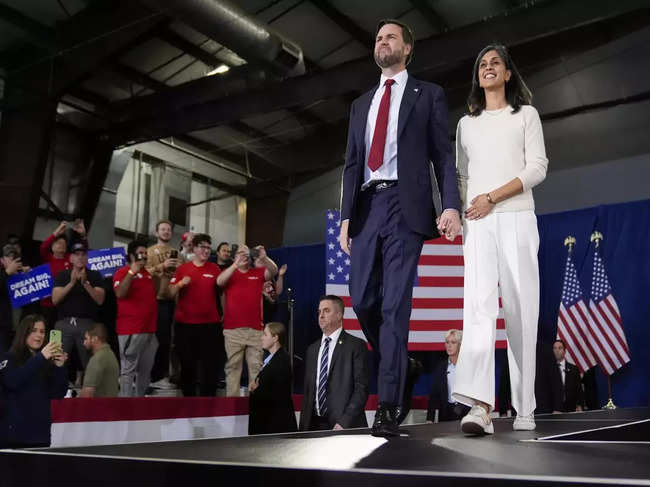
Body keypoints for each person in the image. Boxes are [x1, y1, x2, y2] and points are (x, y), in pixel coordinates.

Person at [339, 19, 461, 436]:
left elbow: (443, 157)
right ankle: (402, 363)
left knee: (394, 306)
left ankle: (389, 404)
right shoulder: (360, 104)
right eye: (377, 38)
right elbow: (352, 164)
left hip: (405, 208)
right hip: (367, 206)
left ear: (408, 48)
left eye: (391, 37)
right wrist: (345, 217)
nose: (382, 42)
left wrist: (452, 207)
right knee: (361, 299)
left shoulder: (428, 94)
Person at [451, 44, 548, 435]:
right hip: (478, 224)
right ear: (478, 76)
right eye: (482, 64)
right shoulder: (465, 125)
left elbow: (538, 167)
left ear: (508, 74)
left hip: (517, 218)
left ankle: (525, 407)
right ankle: (480, 407)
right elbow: (460, 179)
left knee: (522, 311)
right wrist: (459, 216)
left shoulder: (526, 115)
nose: (488, 68)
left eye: (495, 63)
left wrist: (492, 197)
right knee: (477, 310)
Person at [299, 295, 369, 431]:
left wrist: (345, 421)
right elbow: (308, 392)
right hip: (314, 426)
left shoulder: (356, 346)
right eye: (319, 312)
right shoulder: (312, 349)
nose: (321, 315)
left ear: (339, 315)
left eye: (326, 311)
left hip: (343, 426)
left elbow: (361, 389)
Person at [217, 245, 278, 397]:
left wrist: (264, 258)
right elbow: (219, 281)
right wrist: (235, 265)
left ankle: (257, 407)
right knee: (233, 368)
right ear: (234, 256)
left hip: (255, 330)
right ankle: (231, 407)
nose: (244, 255)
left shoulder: (257, 273)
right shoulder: (230, 273)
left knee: (256, 368)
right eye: (240, 253)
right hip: (233, 330)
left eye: (246, 253)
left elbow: (274, 271)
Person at [0, 315, 68, 447]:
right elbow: (12, 381)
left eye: (42, 331)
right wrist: (41, 357)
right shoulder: (9, 358)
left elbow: (58, 393)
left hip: (40, 436)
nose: (39, 335)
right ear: (23, 332)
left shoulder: (45, 362)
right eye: (33, 330)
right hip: (14, 438)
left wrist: (59, 367)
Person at [169, 233, 222, 396]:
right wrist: (180, 283)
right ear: (194, 248)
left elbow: (223, 294)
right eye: (203, 247)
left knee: (210, 365)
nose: (206, 251)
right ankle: (189, 402)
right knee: (187, 365)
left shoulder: (215, 269)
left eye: (208, 247)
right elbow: (170, 293)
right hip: (186, 325)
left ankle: (208, 402)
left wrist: (223, 315)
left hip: (210, 325)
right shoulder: (182, 269)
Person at [52, 241, 105, 381]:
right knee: (55, 359)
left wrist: (86, 284)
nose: (80, 257)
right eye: (76, 255)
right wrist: (71, 283)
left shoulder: (95, 275)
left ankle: (88, 393)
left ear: (87, 258)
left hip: (87, 325)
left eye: (83, 254)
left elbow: (100, 300)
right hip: (63, 323)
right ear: (70, 258)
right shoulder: (62, 275)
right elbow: (55, 300)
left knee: (90, 362)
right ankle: (55, 394)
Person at [113, 240, 158, 397]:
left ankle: (139, 405)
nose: (145, 256)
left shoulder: (148, 274)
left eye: (146, 253)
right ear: (132, 255)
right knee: (128, 370)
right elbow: (119, 294)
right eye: (141, 253)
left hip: (150, 330)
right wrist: (131, 272)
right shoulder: (122, 272)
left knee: (145, 371)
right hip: (130, 330)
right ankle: (125, 405)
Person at [146, 219, 182, 390]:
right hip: (154, 300)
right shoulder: (149, 252)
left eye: (169, 229)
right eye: (163, 229)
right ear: (156, 232)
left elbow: (183, 275)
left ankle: (161, 376)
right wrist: (162, 265)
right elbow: (143, 273)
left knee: (167, 340)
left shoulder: (178, 253)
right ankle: (151, 375)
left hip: (172, 301)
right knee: (151, 340)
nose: (166, 232)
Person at [248, 322, 297, 435]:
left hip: (275, 429)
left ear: (275, 338)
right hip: (268, 426)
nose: (262, 338)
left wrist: (256, 390)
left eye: (265, 334)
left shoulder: (282, 361)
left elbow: (278, 395)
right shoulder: (271, 359)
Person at [39, 220, 86, 329]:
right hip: (47, 303)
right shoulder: (48, 258)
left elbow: (83, 252)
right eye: (58, 243)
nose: (61, 245)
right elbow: (43, 247)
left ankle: (57, 346)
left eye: (64, 243)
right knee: (46, 329)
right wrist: (56, 232)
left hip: (66, 303)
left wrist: (83, 236)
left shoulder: (70, 258)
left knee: (59, 332)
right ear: (52, 247)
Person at [427, 330, 470, 422]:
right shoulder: (441, 367)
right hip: (446, 415)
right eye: (447, 342)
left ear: (460, 345)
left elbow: (473, 392)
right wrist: (430, 419)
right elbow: (433, 394)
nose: (449, 346)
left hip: (466, 414)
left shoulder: (469, 366)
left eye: (453, 342)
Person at [0, 244, 31, 353]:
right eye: (9, 257)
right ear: (2, 260)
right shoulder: (2, 274)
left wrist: (30, 276)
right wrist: (7, 272)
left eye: (15, 258)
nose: (13, 260)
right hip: (3, 327)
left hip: (20, 327)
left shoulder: (23, 275)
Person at [80, 323, 119, 398]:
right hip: (109, 406)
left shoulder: (97, 359)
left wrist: (76, 408)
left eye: (86, 338)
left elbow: (87, 393)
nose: (84, 343)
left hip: (99, 408)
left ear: (95, 339)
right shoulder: (110, 354)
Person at [550, 340, 584, 413]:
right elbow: (546, 392)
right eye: (555, 348)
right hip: (555, 412)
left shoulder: (574, 369)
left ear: (565, 351)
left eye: (560, 348)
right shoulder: (548, 370)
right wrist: (552, 410)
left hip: (572, 410)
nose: (557, 351)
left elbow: (579, 390)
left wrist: (579, 405)